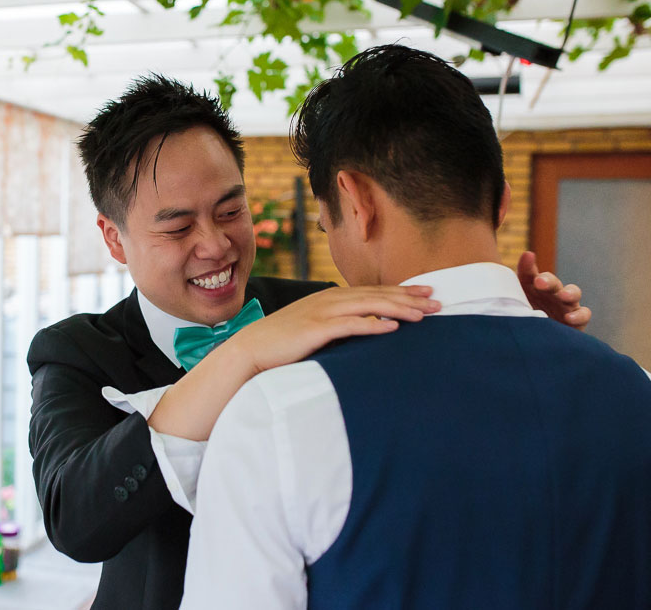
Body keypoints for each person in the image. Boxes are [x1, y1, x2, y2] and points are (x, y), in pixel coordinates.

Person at [27, 75, 591, 610]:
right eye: (177, 228)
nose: (216, 244)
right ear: (113, 238)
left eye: (231, 210)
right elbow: (76, 520)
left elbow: (438, 407)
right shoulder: (75, 351)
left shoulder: (319, 306)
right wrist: (242, 355)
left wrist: (506, 328)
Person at [180, 45, 651, 609]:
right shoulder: (637, 390)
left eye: (325, 220)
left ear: (356, 202)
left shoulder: (281, 414)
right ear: (500, 203)